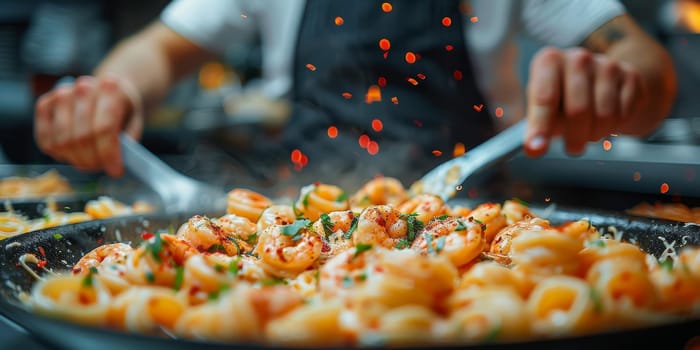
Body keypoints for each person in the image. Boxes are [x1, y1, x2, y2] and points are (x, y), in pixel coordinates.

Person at [33, 0, 677, 187]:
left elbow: (644, 62)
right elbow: (159, 49)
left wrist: (620, 84)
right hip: (296, 216)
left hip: (478, 223)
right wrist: (112, 89)